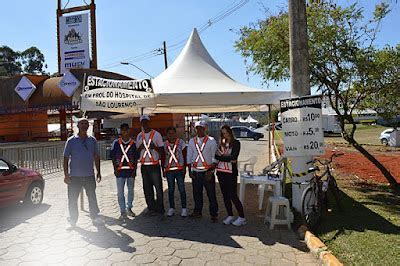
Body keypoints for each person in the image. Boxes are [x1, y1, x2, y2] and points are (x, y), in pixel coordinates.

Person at [63, 118, 103, 229]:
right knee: (72, 199)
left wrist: (98, 172)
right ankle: (73, 220)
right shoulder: (71, 141)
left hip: (89, 175)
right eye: (82, 123)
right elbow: (65, 158)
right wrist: (66, 175)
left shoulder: (93, 140)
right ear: (78, 126)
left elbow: (96, 156)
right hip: (74, 176)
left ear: (88, 126)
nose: (84, 125)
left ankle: (95, 216)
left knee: (92, 197)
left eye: (86, 123)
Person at [187, 121, 219, 222]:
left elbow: (215, 157)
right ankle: (197, 212)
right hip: (196, 172)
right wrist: (190, 170)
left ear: (205, 129)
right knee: (197, 194)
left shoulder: (211, 141)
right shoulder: (192, 141)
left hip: (207, 172)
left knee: (211, 194)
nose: (199, 130)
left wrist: (211, 172)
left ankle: (214, 214)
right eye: (197, 128)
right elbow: (189, 156)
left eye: (201, 128)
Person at [215, 125, 246, 226]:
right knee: (225, 195)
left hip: (231, 173)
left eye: (227, 132)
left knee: (233, 195)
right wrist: (226, 158)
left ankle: (242, 217)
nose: (225, 135)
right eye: (223, 133)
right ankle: (230, 215)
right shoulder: (221, 143)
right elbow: (216, 156)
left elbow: (234, 157)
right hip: (221, 171)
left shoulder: (236, 143)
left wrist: (222, 157)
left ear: (230, 132)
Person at [136, 115, 165, 215]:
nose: (145, 124)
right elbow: (136, 152)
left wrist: (154, 147)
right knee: (147, 189)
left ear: (149, 122)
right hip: (144, 166)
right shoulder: (139, 135)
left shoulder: (156, 134)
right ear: (141, 124)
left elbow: (162, 150)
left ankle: (160, 208)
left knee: (158, 188)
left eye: (146, 122)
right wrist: (140, 148)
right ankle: (151, 208)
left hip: (154, 165)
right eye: (143, 122)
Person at [110, 123, 137, 221]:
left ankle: (129, 208)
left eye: (126, 130)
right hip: (120, 171)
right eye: (123, 130)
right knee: (120, 192)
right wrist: (115, 169)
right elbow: (113, 157)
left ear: (129, 131)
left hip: (130, 171)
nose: (125, 132)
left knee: (131, 191)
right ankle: (122, 211)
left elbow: (136, 157)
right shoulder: (116, 143)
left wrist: (135, 170)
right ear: (120, 131)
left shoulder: (133, 143)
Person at [162, 127, 187, 217]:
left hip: (179, 169)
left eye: (173, 133)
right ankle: (172, 208)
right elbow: (163, 157)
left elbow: (185, 155)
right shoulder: (164, 144)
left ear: (175, 134)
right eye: (169, 134)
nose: (171, 135)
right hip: (169, 170)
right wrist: (163, 170)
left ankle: (184, 208)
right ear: (167, 135)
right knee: (171, 189)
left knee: (182, 189)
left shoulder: (181, 143)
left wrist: (185, 167)